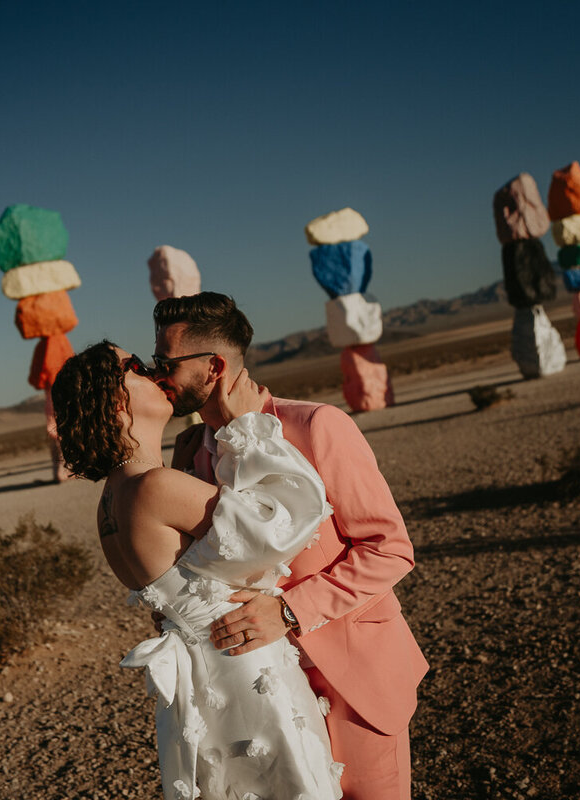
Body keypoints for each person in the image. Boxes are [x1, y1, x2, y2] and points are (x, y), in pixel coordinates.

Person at [153, 292, 429, 800]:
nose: (158, 376)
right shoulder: (190, 451)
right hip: (257, 695)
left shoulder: (316, 426)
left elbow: (390, 547)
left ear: (214, 366)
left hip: (354, 683)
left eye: (166, 363)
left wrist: (288, 610)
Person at [52, 341, 343, 800]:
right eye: (134, 367)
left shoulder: (110, 501)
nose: (154, 371)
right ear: (114, 402)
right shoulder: (155, 486)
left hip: (205, 686)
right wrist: (248, 427)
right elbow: (279, 524)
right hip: (246, 669)